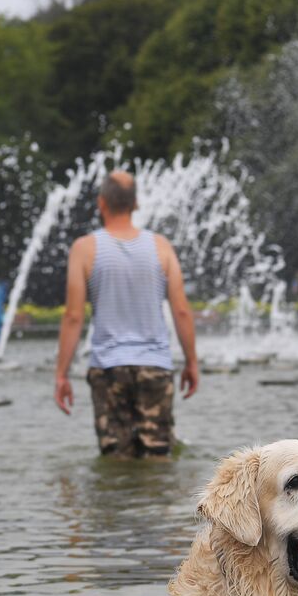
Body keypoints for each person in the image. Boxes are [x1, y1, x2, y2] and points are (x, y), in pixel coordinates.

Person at [53, 170, 200, 458]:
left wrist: (61, 375)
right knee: (158, 456)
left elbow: (73, 317)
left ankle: (120, 504)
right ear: (136, 204)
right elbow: (181, 311)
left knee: (115, 459)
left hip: (108, 369)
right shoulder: (161, 247)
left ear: (101, 203)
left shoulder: (84, 249)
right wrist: (192, 362)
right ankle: (154, 505)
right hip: (154, 366)